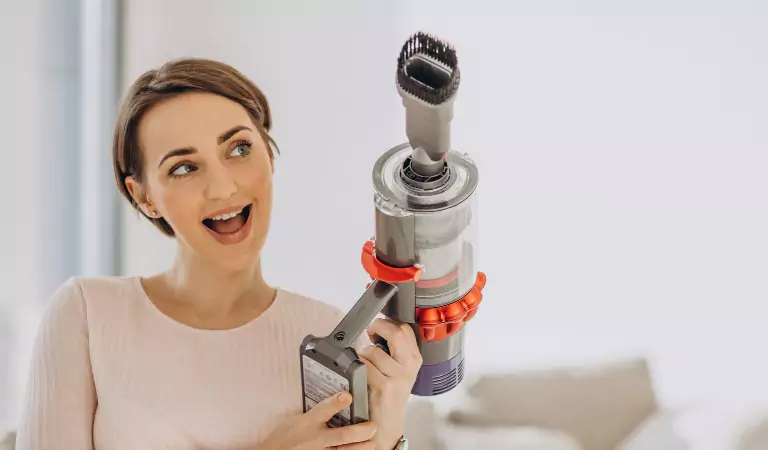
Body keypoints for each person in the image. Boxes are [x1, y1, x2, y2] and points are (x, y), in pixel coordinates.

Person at [14, 58, 422, 450]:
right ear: (144, 197)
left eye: (239, 149)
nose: (223, 188)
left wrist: (387, 437)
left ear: (269, 154)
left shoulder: (333, 334)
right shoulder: (87, 314)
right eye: (184, 168)